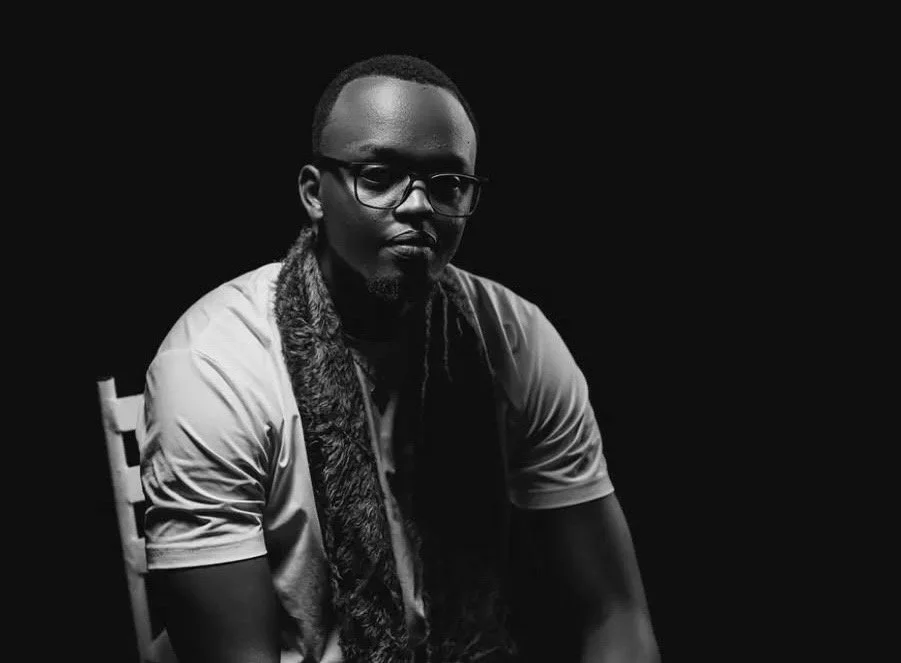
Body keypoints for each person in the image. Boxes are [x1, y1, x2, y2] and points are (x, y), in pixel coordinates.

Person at [140, 54, 658, 663]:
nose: (418, 206)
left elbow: (614, 615)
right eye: (379, 175)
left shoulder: (517, 341)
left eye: (448, 184)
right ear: (314, 192)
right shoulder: (214, 366)